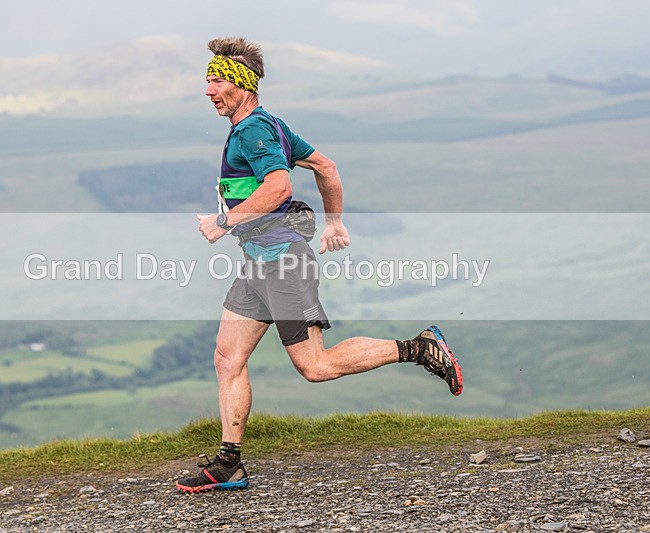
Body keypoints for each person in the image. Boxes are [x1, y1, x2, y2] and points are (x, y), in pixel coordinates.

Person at [176, 37, 463, 493]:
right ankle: (229, 464)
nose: (208, 91)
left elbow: (278, 189)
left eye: (215, 82)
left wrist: (223, 222)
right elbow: (326, 167)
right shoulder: (269, 124)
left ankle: (419, 347)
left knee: (315, 366)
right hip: (257, 264)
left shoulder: (254, 130)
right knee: (227, 357)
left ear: (241, 84)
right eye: (207, 82)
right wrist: (335, 224)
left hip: (284, 264)